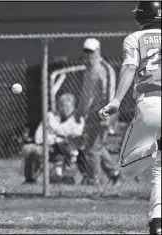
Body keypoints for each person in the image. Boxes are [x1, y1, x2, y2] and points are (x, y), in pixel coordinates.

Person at [98, 2, 161, 234]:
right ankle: (158, 222)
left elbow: (129, 67)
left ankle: (155, 147)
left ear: (142, 16)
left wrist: (116, 101)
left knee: (125, 167)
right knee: (160, 169)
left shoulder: (135, 38)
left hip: (151, 103)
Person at [76, 37, 122, 186]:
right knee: (96, 147)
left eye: (91, 51)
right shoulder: (88, 70)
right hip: (91, 114)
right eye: (86, 51)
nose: (88, 54)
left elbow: (111, 93)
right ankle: (114, 174)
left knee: (93, 150)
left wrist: (107, 116)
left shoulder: (105, 69)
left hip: (103, 113)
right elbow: (85, 94)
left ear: (98, 51)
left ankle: (94, 180)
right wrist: (80, 112)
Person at [21, 93, 85, 184]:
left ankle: (65, 176)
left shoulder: (77, 119)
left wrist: (56, 132)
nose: (64, 109)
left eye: (67, 106)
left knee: (67, 147)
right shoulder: (50, 116)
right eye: (62, 106)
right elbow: (39, 135)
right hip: (48, 147)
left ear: (73, 107)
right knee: (29, 149)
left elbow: (76, 134)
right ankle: (30, 179)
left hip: (68, 150)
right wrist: (55, 138)